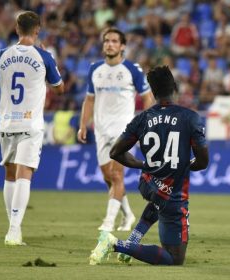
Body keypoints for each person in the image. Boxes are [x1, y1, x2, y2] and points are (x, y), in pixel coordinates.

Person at [0, 11, 64, 246]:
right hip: (31, 123)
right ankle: (14, 231)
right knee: (24, 174)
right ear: (37, 30)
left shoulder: (1, 55)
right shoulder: (44, 56)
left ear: (17, 29)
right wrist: (51, 63)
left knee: (9, 174)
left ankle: (12, 227)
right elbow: (60, 89)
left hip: (7, 122)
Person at [89, 65, 209, 265]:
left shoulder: (142, 119)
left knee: (156, 199)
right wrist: (183, 166)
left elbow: (115, 152)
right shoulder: (191, 118)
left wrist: (143, 165)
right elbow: (203, 161)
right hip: (173, 194)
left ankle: (133, 240)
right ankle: (115, 244)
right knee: (174, 258)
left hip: (147, 184)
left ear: (152, 93)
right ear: (174, 88)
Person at [77, 27, 154, 232]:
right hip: (101, 129)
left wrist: (149, 123)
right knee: (108, 177)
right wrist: (83, 124)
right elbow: (89, 100)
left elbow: (147, 97)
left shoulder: (132, 70)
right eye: (106, 41)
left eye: (114, 41)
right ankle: (128, 215)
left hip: (124, 130)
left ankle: (108, 222)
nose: (109, 44)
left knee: (117, 175)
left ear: (122, 46)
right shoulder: (95, 69)